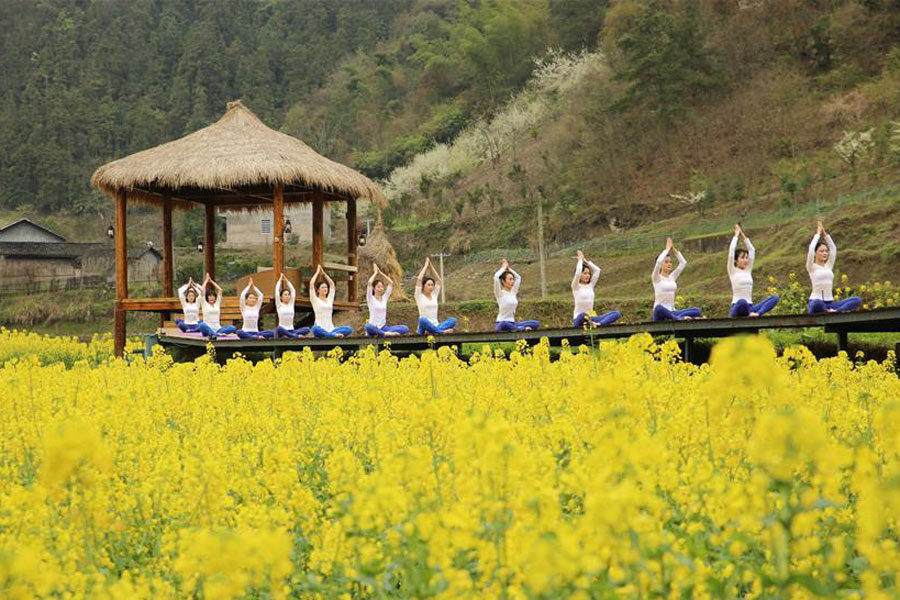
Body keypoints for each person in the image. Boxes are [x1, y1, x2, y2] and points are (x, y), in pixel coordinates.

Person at [807, 220, 862, 314]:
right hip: (816, 302)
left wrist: (825, 234)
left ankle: (835, 311)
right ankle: (827, 311)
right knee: (817, 303)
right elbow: (811, 249)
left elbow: (833, 249)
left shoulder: (828, 266)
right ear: (816, 254)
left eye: (826, 251)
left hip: (831, 303)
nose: (825, 253)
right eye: (821, 251)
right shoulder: (811, 267)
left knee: (857, 300)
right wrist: (817, 234)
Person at [728, 224, 779, 317]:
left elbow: (752, 250)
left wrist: (742, 235)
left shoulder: (748, 270)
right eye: (742, 258)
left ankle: (757, 314)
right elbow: (731, 252)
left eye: (747, 258)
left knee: (774, 298)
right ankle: (749, 314)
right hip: (737, 306)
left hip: (750, 307)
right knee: (742, 302)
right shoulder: (732, 270)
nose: (746, 260)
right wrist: (736, 235)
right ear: (736, 260)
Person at [651, 238, 702, 321]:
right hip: (661, 313)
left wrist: (673, 249)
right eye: (666, 262)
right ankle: (679, 319)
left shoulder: (672, 277)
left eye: (670, 262)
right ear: (661, 265)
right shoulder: (656, 278)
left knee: (697, 310)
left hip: (673, 312)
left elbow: (683, 263)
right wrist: (666, 250)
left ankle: (678, 317)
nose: (669, 264)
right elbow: (658, 262)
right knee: (658, 308)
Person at [571, 250, 621, 328]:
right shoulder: (575, 286)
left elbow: (598, 270)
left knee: (616, 314)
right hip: (580, 319)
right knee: (583, 315)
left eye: (588, 274)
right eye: (584, 273)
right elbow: (577, 273)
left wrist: (586, 261)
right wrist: (580, 260)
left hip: (592, 317)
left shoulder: (590, 285)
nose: (587, 275)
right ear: (580, 275)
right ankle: (591, 322)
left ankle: (598, 324)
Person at [493, 259, 539, 332]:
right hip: (502, 323)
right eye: (510, 279)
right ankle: (521, 328)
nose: (512, 282)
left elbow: (518, 278)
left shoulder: (513, 292)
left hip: (513, 323)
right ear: (503, 281)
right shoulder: (499, 294)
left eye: (512, 279)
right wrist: (503, 268)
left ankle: (519, 328)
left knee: (535, 323)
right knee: (504, 324)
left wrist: (509, 269)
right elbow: (496, 277)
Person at [364, 264, 409, 337]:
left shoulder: (384, 298)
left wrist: (381, 273)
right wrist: (375, 273)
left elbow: (391, 283)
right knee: (367, 326)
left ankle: (382, 333)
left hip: (383, 328)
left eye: (382, 287)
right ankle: (385, 334)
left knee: (405, 328)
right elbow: (369, 283)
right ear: (374, 288)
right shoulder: (370, 298)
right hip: (373, 328)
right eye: (378, 287)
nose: (380, 288)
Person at [415, 257, 457, 335]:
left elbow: (439, 280)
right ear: (423, 286)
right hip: (424, 327)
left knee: (453, 320)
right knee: (422, 320)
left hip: (436, 325)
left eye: (432, 285)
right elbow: (419, 279)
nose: (431, 287)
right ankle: (441, 332)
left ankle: (433, 331)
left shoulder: (434, 295)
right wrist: (425, 266)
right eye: (428, 285)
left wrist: (431, 267)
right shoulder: (419, 296)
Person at [310, 265, 354, 338]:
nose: (325, 289)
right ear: (318, 290)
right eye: (322, 287)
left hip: (331, 329)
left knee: (349, 329)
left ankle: (330, 335)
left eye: (326, 287)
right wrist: (317, 272)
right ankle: (332, 335)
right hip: (320, 328)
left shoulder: (329, 299)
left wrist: (324, 273)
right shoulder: (315, 300)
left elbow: (332, 284)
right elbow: (311, 284)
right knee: (315, 329)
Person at [198, 274, 237, 338]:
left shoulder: (217, 303)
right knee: (201, 325)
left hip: (218, 329)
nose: (212, 298)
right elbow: (202, 290)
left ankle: (215, 334)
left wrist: (212, 281)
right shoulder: (204, 303)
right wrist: (206, 280)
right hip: (207, 329)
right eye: (210, 296)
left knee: (232, 327)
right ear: (207, 297)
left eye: (213, 296)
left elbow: (220, 290)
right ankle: (214, 334)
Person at [273, 273, 310, 338]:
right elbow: (276, 292)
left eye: (288, 295)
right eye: (285, 295)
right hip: (282, 331)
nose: (287, 296)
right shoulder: (279, 305)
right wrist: (280, 280)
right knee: (279, 328)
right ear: (281, 297)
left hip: (291, 330)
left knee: (307, 329)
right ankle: (295, 336)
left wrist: (287, 281)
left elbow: (293, 291)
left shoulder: (291, 304)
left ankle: (291, 335)